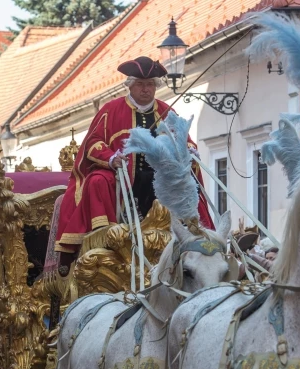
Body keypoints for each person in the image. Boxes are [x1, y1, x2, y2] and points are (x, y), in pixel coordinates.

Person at [53, 56, 214, 275]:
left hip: (159, 178)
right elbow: (93, 142)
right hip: (122, 178)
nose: (146, 89)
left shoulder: (166, 111)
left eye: (149, 84)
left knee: (187, 180)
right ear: (130, 85)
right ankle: (104, 236)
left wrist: (190, 151)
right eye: (140, 84)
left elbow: (184, 140)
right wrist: (111, 158)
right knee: (98, 180)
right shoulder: (111, 110)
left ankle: (201, 239)